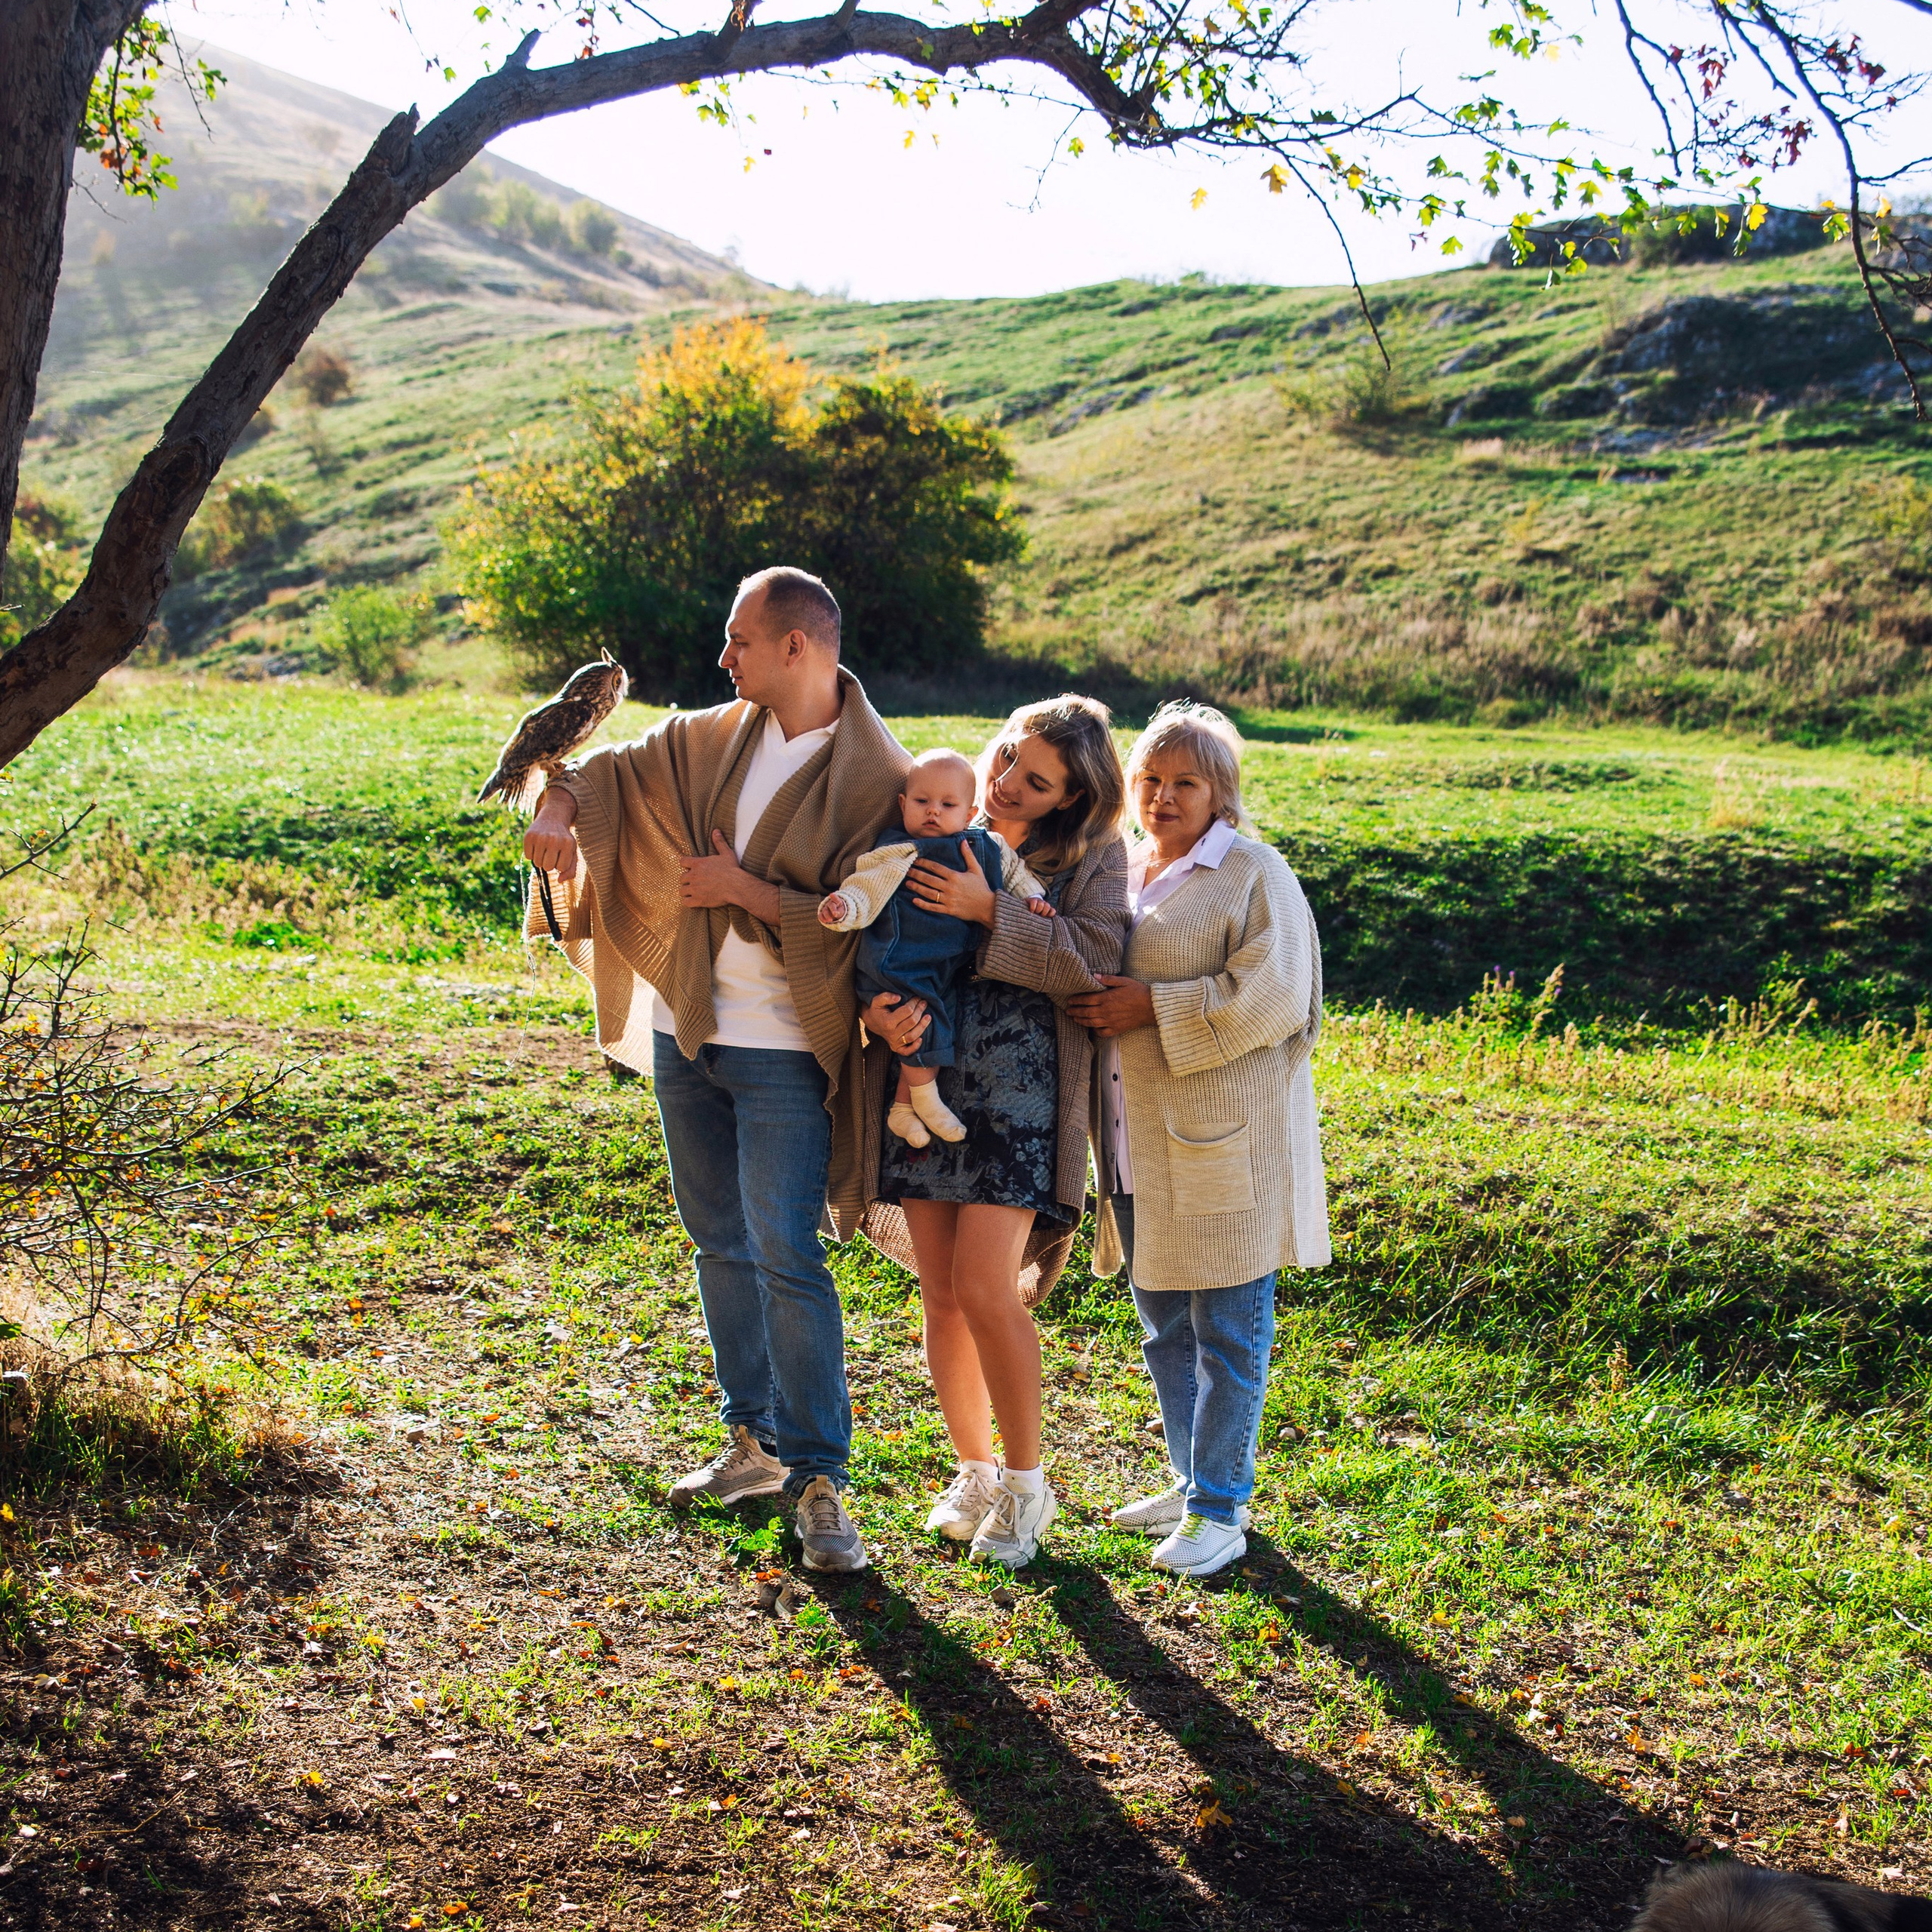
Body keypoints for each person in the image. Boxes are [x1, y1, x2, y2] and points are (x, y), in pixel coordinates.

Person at [521, 567, 909, 1573]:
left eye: (738, 640)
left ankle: (822, 1478)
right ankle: (755, 1444)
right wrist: (562, 803)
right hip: (690, 1027)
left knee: (786, 1249)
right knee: (717, 1242)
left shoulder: (878, 779)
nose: (722, 657)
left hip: (787, 1047)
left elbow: (868, 928)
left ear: (798, 647)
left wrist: (745, 887)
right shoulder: (719, 732)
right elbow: (613, 770)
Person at [862, 697, 1129, 1567]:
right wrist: (875, 1007)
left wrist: (990, 912)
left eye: (1036, 779)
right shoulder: (934, 815)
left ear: (1071, 798)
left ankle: (1025, 1487)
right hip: (929, 1082)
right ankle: (973, 1472)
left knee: (987, 1288)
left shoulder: (1093, 858)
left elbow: (1094, 964)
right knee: (939, 1293)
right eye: (1009, 757)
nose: (1008, 781)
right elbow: (872, 933)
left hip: (1024, 1094)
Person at [1068, 701, 1330, 1580]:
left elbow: (1276, 997)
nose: (1164, 794)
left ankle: (1220, 1507)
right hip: (1135, 1139)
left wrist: (1151, 1005)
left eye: (1186, 781)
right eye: (1150, 778)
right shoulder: (1129, 870)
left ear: (1221, 792)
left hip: (1225, 1140)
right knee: (1163, 1327)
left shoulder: (1255, 873)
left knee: (1226, 1328)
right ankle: (1190, 1480)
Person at [820, 747, 1056, 1147]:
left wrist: (1033, 898)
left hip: (945, 962)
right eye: (922, 802)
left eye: (947, 805)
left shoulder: (989, 845)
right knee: (919, 1021)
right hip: (899, 960)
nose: (933, 812)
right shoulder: (899, 849)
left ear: (969, 813)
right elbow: (867, 887)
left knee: (932, 1020)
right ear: (902, 804)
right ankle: (927, 1101)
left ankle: (902, 1109)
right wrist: (845, 908)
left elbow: (1016, 874)